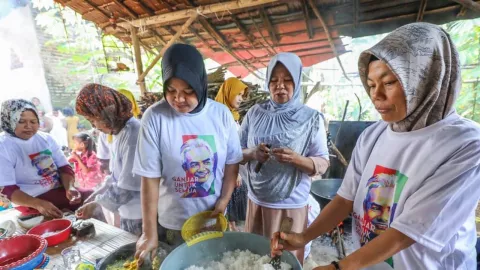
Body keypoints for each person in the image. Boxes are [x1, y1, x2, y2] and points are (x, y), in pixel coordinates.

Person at [271, 23, 480, 270]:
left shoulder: (465, 145)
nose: (376, 96)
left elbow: (408, 231)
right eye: (371, 85)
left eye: (389, 82)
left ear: (426, 79)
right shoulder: (374, 135)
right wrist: (304, 236)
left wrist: (340, 267)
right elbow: (344, 199)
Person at [133, 44, 243, 264]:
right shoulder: (155, 117)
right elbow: (150, 177)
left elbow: (232, 163)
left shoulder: (220, 114)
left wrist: (223, 201)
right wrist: (149, 232)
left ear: (200, 84)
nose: (178, 99)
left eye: (187, 91)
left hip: (212, 219)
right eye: (171, 90)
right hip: (173, 225)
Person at [240, 52, 330, 264]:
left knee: (283, 260)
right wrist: (253, 153)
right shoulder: (254, 113)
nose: (280, 85)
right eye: (274, 80)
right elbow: (236, 153)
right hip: (257, 201)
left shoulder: (311, 119)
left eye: (287, 80)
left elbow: (323, 163)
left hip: (290, 205)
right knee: (253, 258)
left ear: (297, 82)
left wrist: (297, 160)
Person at [75, 83, 142, 236]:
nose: (93, 125)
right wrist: (98, 192)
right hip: (130, 211)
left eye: (93, 119)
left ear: (107, 113)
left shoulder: (133, 134)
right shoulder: (119, 132)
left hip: (142, 213)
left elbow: (128, 187)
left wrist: (97, 204)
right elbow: (117, 175)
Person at [0, 99, 85, 218]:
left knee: (90, 200)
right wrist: (38, 204)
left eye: (33, 121)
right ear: (8, 121)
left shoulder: (46, 139)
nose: (28, 126)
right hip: (30, 200)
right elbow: (6, 189)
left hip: (58, 190)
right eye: (21, 121)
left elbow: (64, 167)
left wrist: (69, 187)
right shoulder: (3, 146)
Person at [215, 77, 249, 231]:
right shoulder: (219, 115)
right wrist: (234, 172)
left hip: (235, 168)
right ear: (229, 92)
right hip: (225, 170)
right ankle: (228, 227)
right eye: (238, 94)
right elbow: (221, 148)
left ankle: (231, 226)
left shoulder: (232, 114)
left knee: (231, 203)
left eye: (242, 95)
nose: (241, 99)